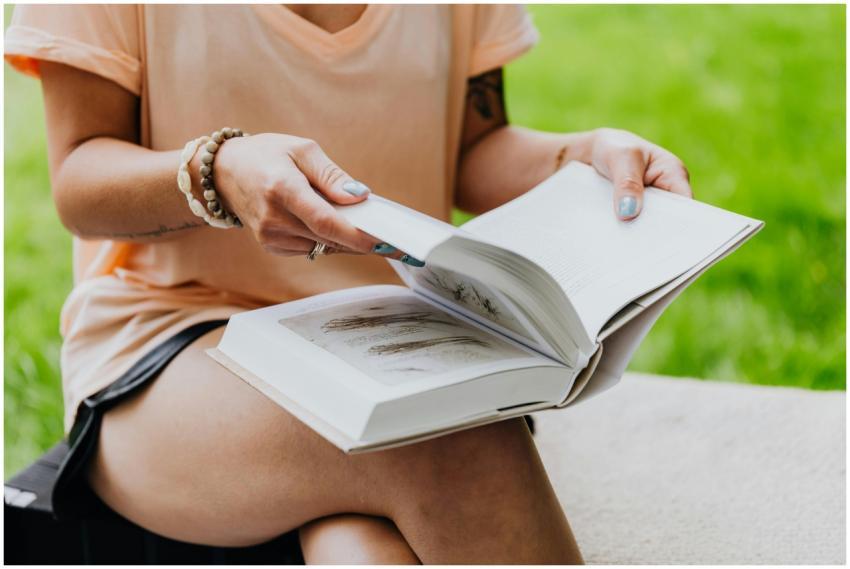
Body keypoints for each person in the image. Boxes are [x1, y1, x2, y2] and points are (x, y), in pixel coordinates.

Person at [5, 4, 692, 564]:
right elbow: (80, 183)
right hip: (169, 350)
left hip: (387, 335)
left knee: (363, 547)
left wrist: (583, 160)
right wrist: (220, 171)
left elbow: (473, 148)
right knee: (447, 436)